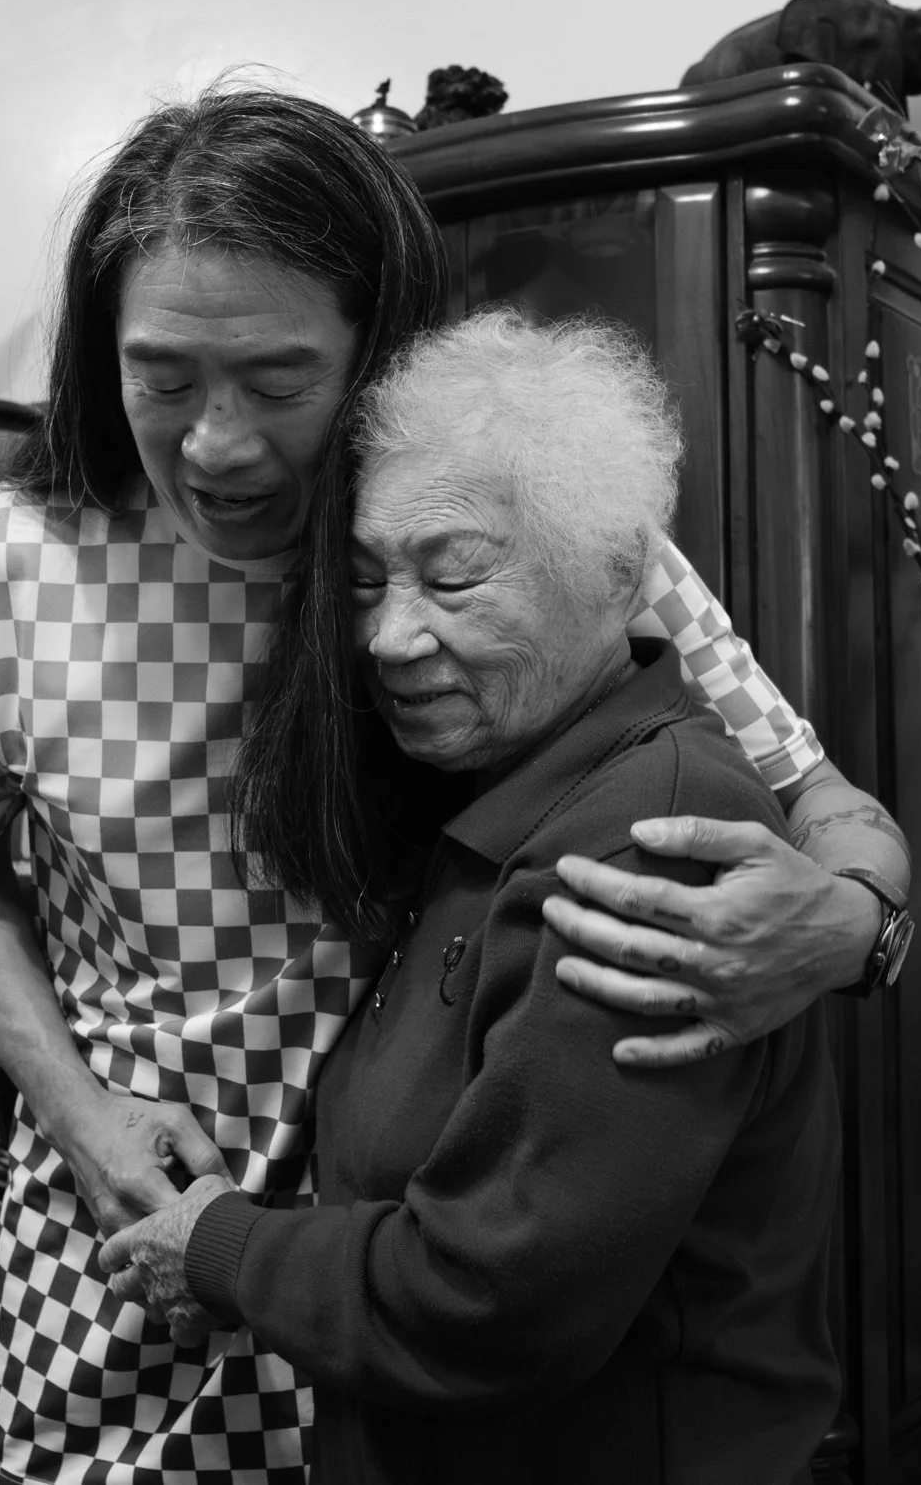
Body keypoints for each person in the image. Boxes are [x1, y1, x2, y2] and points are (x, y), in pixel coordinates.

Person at [0, 86, 904, 1485]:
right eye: (164, 379)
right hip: (123, 1238)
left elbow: (823, 801)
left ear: (374, 348)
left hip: (425, 1262)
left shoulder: (482, 517)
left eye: (281, 382)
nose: (220, 444)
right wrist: (81, 1110)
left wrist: (851, 922)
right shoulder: (0, 560)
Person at [99, 311, 839, 1485]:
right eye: (363, 580)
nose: (389, 635)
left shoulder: (650, 837)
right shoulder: (490, 792)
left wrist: (222, 1248)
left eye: (453, 576)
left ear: (612, 575)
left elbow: (493, 1296)